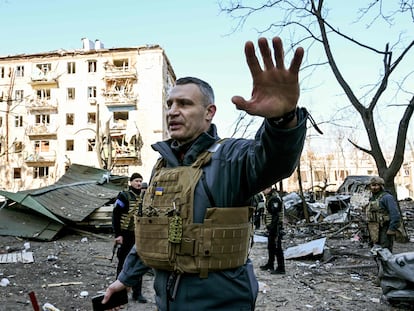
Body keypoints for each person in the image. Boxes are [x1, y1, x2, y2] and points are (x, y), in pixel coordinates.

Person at [102, 36, 308, 311]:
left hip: (221, 303)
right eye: (170, 104)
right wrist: (125, 279)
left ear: (209, 112)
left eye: (184, 104)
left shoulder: (230, 158)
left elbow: (275, 161)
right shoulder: (163, 165)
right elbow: (154, 233)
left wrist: (282, 121)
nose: (173, 112)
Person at [111, 172, 147, 303]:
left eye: (140, 181)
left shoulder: (144, 197)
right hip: (125, 234)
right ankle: (119, 294)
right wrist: (118, 234)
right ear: (131, 182)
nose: (138, 183)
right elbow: (115, 215)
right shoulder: (123, 196)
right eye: (136, 181)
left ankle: (137, 293)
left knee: (139, 262)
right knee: (123, 263)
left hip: (138, 234)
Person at [366, 176, 401, 252]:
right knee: (376, 251)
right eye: (373, 185)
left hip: (384, 228)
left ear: (381, 186)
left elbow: (395, 214)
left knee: (385, 251)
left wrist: (392, 228)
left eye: (376, 185)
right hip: (374, 229)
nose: (374, 187)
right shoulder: (372, 198)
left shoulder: (387, 197)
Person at [260, 186, 286, 274]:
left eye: (264, 189)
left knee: (277, 247)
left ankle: (281, 268)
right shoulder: (270, 197)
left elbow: (276, 215)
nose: (263, 191)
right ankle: (270, 264)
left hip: (275, 227)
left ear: (269, 188)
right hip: (272, 227)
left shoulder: (274, 199)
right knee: (271, 246)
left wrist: (272, 228)